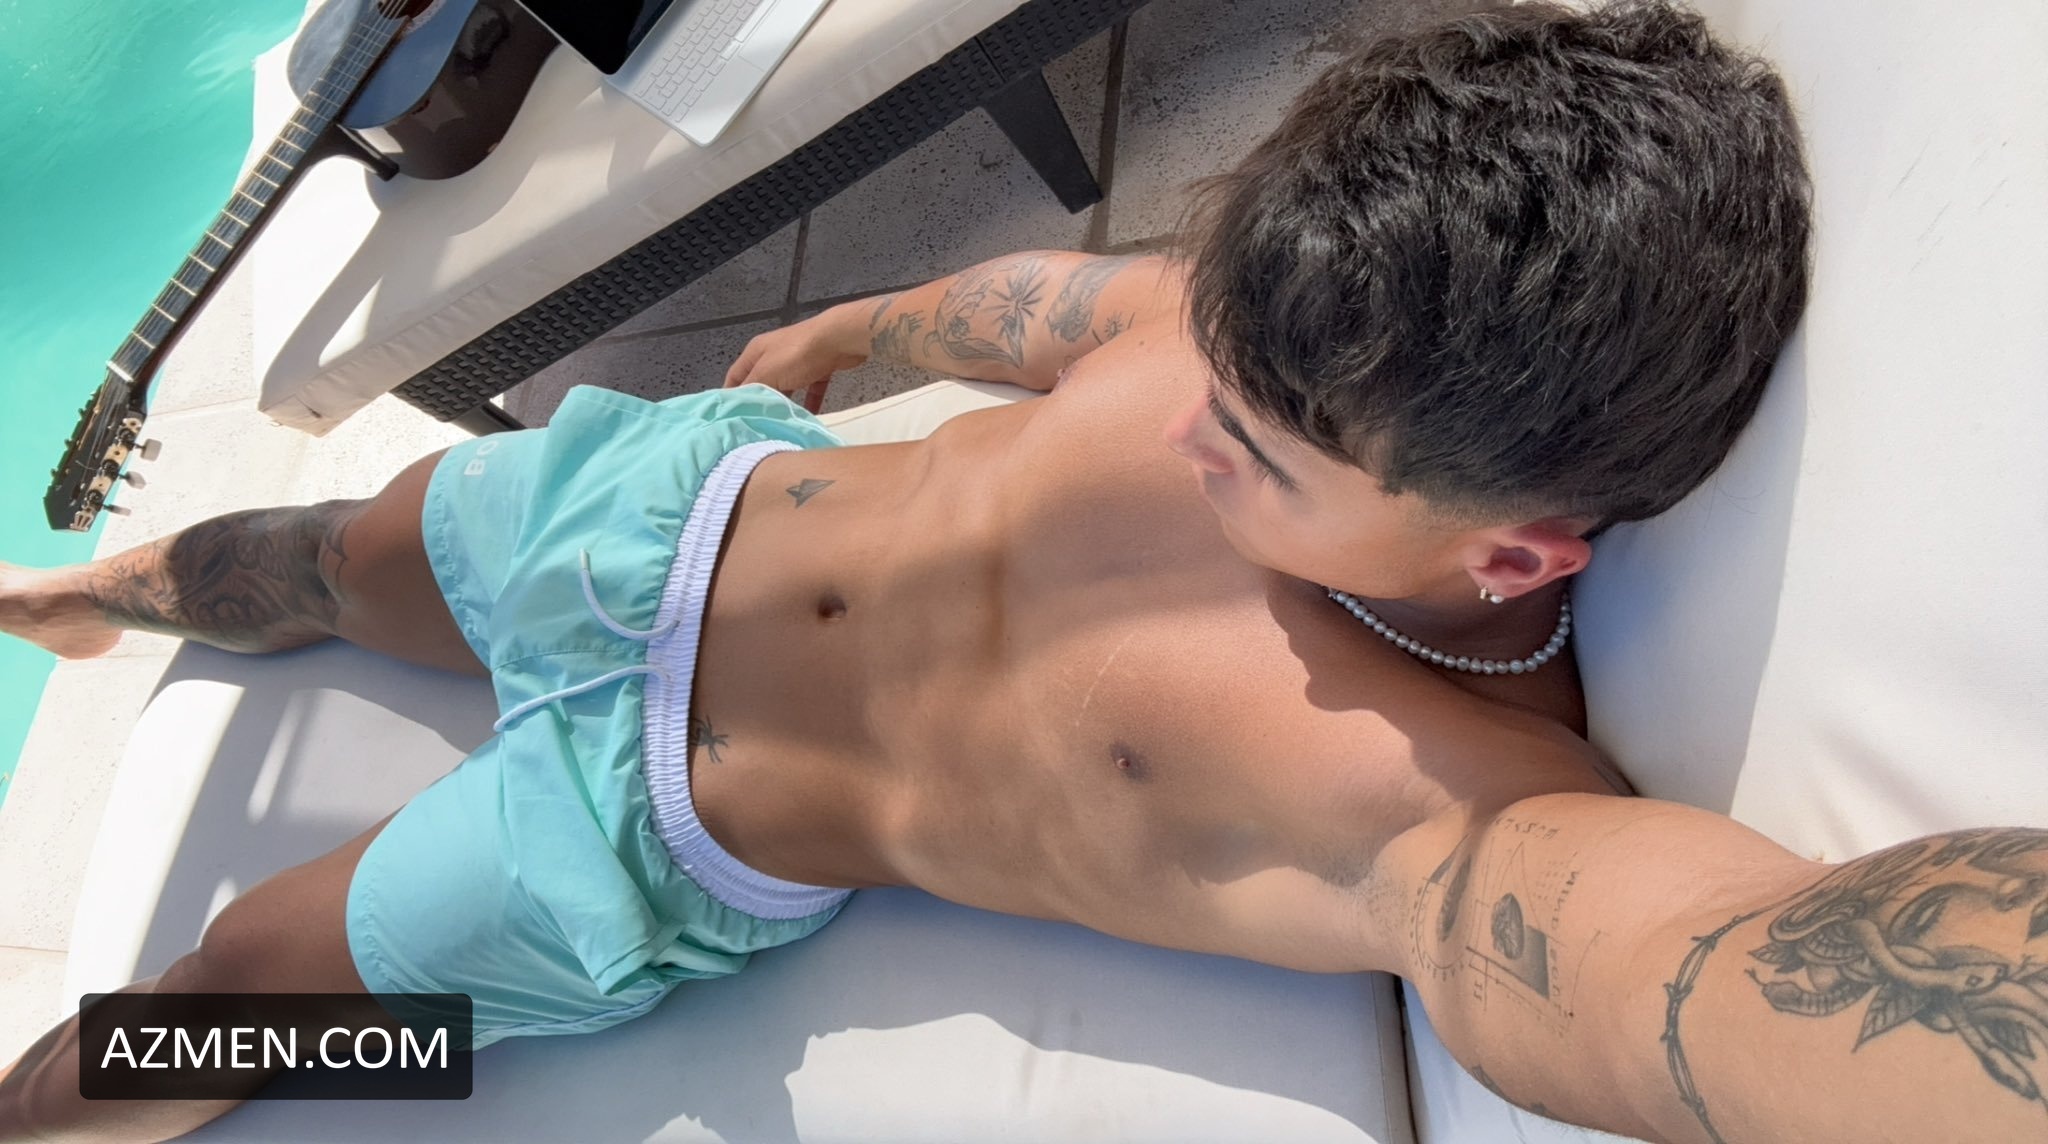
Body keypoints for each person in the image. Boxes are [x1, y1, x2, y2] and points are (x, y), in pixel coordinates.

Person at [1, 2, 2038, 1140]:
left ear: (1508, 551)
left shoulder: (1445, 810)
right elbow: (1044, 308)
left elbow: (1712, 979)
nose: (1188, 421)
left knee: (225, 998)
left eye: (1253, 455)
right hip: (670, 513)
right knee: (313, 553)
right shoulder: (1282, 329)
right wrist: (837, 337)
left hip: (648, 822)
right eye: (1209, 362)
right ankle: (86, 599)